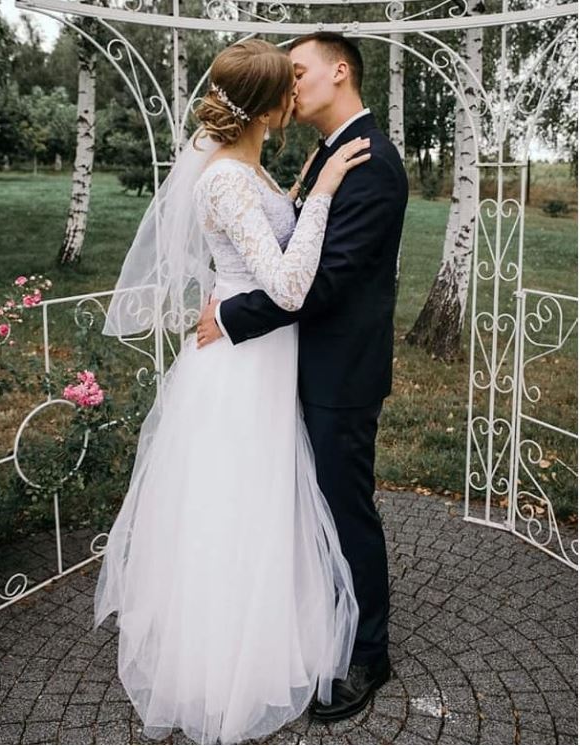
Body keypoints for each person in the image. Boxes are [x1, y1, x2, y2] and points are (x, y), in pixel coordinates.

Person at [94, 39, 372, 745]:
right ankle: (222, 661)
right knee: (235, 500)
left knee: (265, 495)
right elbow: (287, 285)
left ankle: (271, 630)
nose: (296, 94)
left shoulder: (249, 167)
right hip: (241, 366)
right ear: (270, 106)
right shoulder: (224, 177)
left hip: (263, 355)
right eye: (288, 86)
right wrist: (322, 196)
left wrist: (301, 192)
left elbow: (261, 245)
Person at [197, 32, 409, 722]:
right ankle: (311, 622)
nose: (289, 87)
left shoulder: (370, 160)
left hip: (340, 372)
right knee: (303, 504)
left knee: (345, 509)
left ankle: (368, 654)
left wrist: (230, 316)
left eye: (298, 72)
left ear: (339, 71)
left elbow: (326, 280)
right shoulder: (325, 152)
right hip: (293, 363)